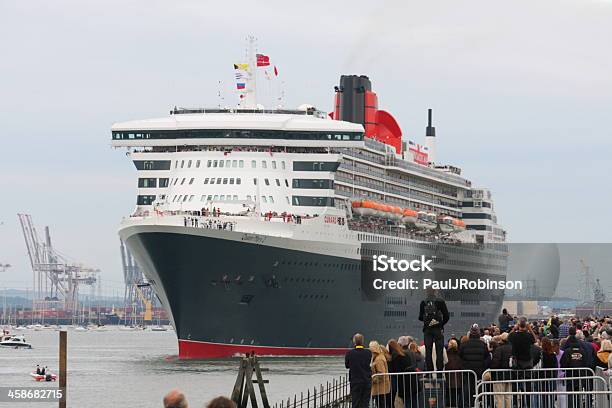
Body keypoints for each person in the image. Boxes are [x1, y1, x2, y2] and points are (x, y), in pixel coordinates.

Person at [418, 288, 449, 372]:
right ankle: (439, 372)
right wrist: (440, 324)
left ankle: (429, 372)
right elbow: (447, 316)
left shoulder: (423, 302)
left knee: (428, 352)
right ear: (435, 291)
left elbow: (420, 317)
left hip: (427, 330)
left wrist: (428, 322)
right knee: (439, 351)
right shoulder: (440, 301)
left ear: (427, 292)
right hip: (438, 329)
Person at [345, 333, 372, 408]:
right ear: (363, 342)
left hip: (355, 381)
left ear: (354, 342)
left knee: (355, 402)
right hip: (366, 381)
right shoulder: (368, 352)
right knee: (365, 403)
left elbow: (347, 366)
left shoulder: (349, 353)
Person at [388, 339, 416, 408]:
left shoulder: (395, 356)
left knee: (407, 402)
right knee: (413, 401)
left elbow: (397, 371)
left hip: (404, 383)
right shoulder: (405, 354)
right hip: (411, 380)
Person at [369, 341, 391, 408]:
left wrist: (372, 379)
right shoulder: (378, 357)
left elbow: (381, 374)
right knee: (381, 404)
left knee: (381, 404)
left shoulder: (379, 359)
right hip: (380, 387)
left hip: (380, 387)